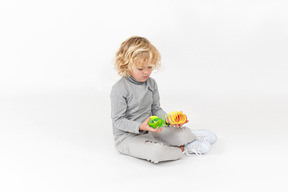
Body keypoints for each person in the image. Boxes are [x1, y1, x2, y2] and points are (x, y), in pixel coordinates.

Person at [110, 36, 216, 163]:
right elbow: (118, 120)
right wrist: (141, 126)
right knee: (157, 153)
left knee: (183, 134)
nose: (146, 72)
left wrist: (168, 119)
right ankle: (183, 148)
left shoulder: (151, 83)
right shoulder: (120, 89)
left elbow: (156, 109)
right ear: (126, 65)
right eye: (140, 68)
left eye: (149, 67)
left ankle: (190, 137)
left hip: (153, 129)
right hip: (127, 137)